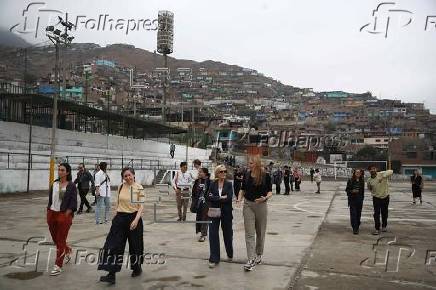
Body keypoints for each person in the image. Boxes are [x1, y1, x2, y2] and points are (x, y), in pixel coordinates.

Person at [98, 167, 145, 284]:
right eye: (125, 176)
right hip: (120, 219)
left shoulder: (138, 188)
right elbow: (118, 203)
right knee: (113, 245)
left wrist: (135, 220)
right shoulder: (121, 187)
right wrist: (115, 215)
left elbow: (141, 207)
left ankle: (137, 267)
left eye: (129, 175)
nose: (128, 177)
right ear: (123, 177)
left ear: (133, 175)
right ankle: (111, 274)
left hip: (134, 218)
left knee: (135, 246)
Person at [237, 155, 273, 271]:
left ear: (257, 164)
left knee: (260, 232)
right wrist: (239, 199)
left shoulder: (265, 175)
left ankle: (259, 253)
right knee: (249, 233)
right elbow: (242, 189)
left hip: (261, 205)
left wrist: (264, 198)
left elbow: (270, 192)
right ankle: (251, 259)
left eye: (251, 163)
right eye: (249, 163)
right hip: (248, 205)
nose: (249, 165)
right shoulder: (246, 174)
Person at [46, 162, 77, 276]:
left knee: (60, 240)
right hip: (52, 214)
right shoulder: (54, 184)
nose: (60, 172)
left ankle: (58, 265)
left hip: (63, 215)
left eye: (62, 170)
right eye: (59, 169)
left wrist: (66, 214)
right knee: (56, 239)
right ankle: (67, 250)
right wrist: (49, 211)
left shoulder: (71, 185)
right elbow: (51, 200)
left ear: (67, 172)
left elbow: (73, 204)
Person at [207, 164, 234, 268]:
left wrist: (216, 197)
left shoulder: (229, 184)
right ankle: (214, 258)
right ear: (217, 173)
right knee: (213, 234)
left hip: (226, 213)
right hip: (214, 212)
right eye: (221, 172)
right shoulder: (212, 184)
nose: (223, 173)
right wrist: (220, 197)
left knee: (227, 235)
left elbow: (229, 198)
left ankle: (230, 252)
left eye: (225, 171)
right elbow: (208, 196)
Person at [367, 165, 393, 235]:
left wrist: (383, 177)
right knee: (376, 213)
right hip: (376, 198)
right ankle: (377, 228)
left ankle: (384, 226)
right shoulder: (369, 180)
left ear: (376, 169)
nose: (373, 170)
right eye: (371, 169)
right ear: (369, 171)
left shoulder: (381, 173)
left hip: (385, 197)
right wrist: (373, 190)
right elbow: (369, 188)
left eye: (374, 169)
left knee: (384, 213)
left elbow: (391, 171)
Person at [191, 167, 211, 242]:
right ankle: (201, 232)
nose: (199, 173)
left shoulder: (209, 182)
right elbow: (193, 192)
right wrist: (193, 202)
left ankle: (203, 234)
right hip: (198, 203)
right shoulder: (197, 181)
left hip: (206, 203)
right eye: (198, 172)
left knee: (205, 218)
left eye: (200, 172)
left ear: (205, 173)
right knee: (199, 218)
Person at [346, 169, 364, 234]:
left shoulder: (362, 181)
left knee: (358, 214)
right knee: (353, 214)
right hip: (352, 200)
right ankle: (355, 228)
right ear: (354, 173)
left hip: (359, 200)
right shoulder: (350, 180)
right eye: (357, 172)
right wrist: (352, 191)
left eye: (359, 172)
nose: (358, 173)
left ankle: (357, 225)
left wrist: (362, 199)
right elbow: (347, 190)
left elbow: (362, 192)